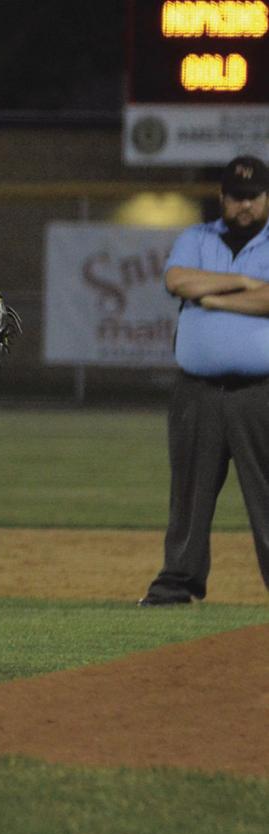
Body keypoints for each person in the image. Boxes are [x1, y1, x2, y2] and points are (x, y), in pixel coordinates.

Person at [138, 155, 269, 606]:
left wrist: (213, 299)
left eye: (253, 196)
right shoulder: (196, 237)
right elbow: (177, 281)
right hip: (196, 392)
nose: (244, 205)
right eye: (236, 196)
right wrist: (240, 282)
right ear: (222, 198)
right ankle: (177, 584)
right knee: (189, 494)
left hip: (261, 393)